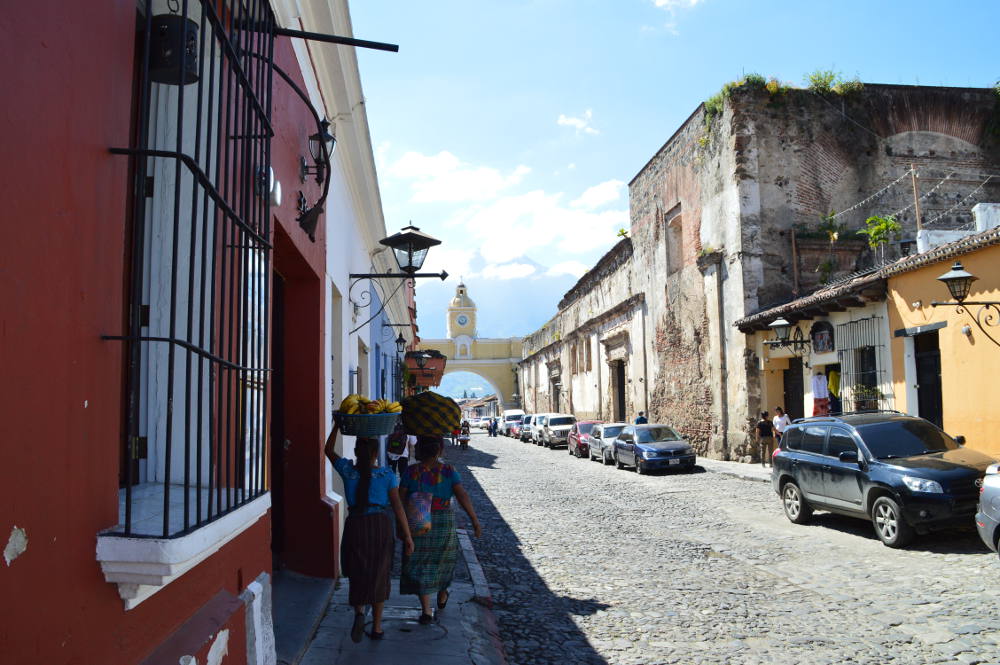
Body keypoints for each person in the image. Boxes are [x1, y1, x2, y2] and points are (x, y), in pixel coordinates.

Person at [325, 423, 414, 642]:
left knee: (358, 570)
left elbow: (327, 450)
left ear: (356, 452)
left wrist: (336, 424)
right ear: (376, 453)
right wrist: (408, 536)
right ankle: (376, 628)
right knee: (380, 573)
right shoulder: (386, 475)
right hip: (380, 525)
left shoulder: (348, 471)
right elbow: (397, 507)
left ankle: (358, 612)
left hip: (356, 524)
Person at [399, 436, 482, 624]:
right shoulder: (448, 471)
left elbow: (400, 499)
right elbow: (462, 496)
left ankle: (426, 610)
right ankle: (443, 590)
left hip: (418, 519)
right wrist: (474, 521)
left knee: (419, 562)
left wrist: (403, 522)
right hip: (443, 519)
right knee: (444, 559)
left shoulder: (412, 472)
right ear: (439, 452)